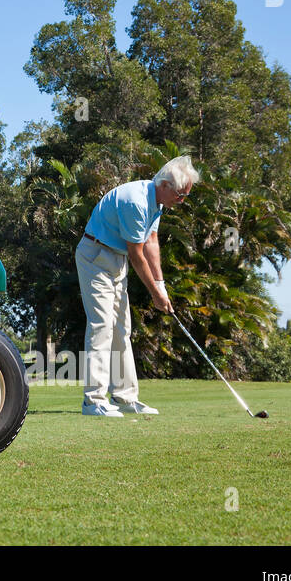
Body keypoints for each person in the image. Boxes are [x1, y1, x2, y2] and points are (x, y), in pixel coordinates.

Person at [75, 155, 199, 416]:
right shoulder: (136, 202)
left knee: (122, 328)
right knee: (102, 325)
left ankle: (124, 397)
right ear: (164, 185)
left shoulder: (157, 202)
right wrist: (154, 295)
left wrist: (161, 285)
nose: (182, 200)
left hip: (115, 258)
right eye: (180, 194)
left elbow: (152, 241)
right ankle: (93, 401)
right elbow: (137, 254)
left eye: (185, 195)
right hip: (95, 256)